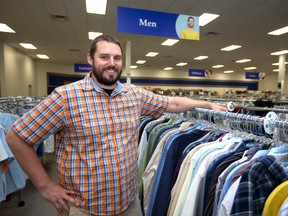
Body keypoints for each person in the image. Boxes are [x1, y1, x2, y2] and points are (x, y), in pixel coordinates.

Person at [6, 35, 227, 216]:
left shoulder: (134, 95)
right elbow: (17, 137)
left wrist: (207, 103)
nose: (112, 63)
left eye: (117, 58)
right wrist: (45, 186)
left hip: (127, 205)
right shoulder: (65, 97)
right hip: (83, 208)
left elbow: (172, 103)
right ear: (90, 59)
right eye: (104, 57)